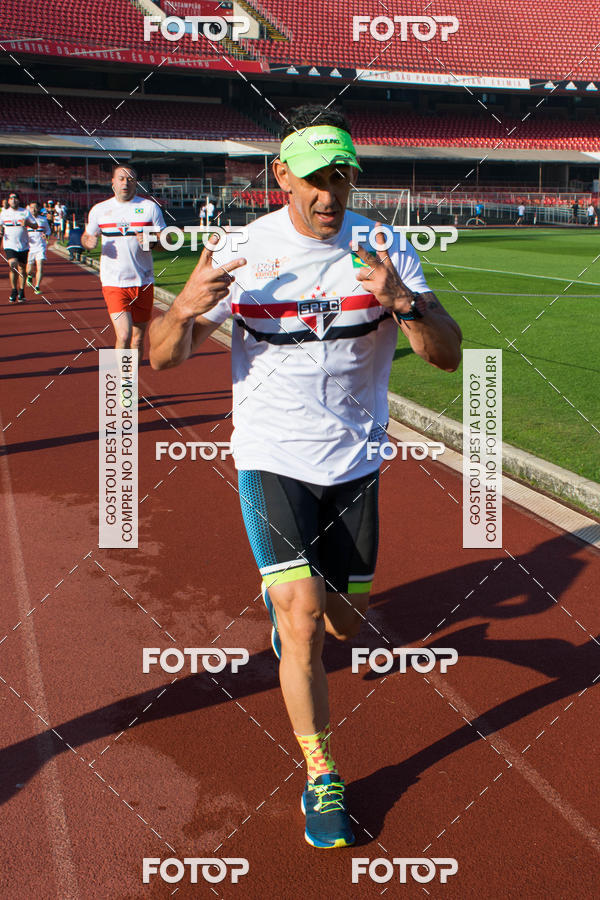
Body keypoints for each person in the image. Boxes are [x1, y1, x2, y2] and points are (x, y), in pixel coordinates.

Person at [148, 105, 462, 849]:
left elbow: (447, 354)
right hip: (270, 452)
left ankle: (307, 601)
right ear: (282, 177)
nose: (330, 194)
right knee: (297, 616)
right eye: (315, 179)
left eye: (343, 177)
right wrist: (185, 310)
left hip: (354, 461)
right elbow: (162, 358)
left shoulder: (385, 248)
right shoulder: (240, 250)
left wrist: (403, 302)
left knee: (343, 621)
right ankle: (322, 772)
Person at [81, 165, 167, 358]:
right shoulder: (100, 210)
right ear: (113, 182)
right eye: (121, 178)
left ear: (136, 183)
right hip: (114, 283)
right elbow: (86, 237)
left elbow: (167, 242)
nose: (125, 183)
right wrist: (89, 242)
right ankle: (123, 385)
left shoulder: (149, 208)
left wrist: (152, 242)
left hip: (143, 283)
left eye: (130, 179)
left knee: (137, 339)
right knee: (124, 334)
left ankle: (130, 383)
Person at [0, 192, 37, 303]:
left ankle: (21, 290)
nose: (13, 200)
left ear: (18, 200)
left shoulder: (25, 212)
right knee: (13, 265)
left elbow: (35, 225)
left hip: (23, 245)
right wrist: (1, 230)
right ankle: (13, 290)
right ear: (9, 201)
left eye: (15, 198)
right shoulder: (4, 213)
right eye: (11, 198)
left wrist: (28, 223)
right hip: (9, 244)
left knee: (22, 268)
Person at [26, 201, 52, 293]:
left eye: (35, 207)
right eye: (32, 207)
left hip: (40, 246)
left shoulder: (43, 219)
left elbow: (48, 230)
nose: (34, 209)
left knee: (40, 266)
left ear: (38, 209)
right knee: (28, 270)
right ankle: (29, 276)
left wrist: (46, 234)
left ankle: (37, 286)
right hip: (29, 247)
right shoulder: (26, 220)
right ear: (29, 209)